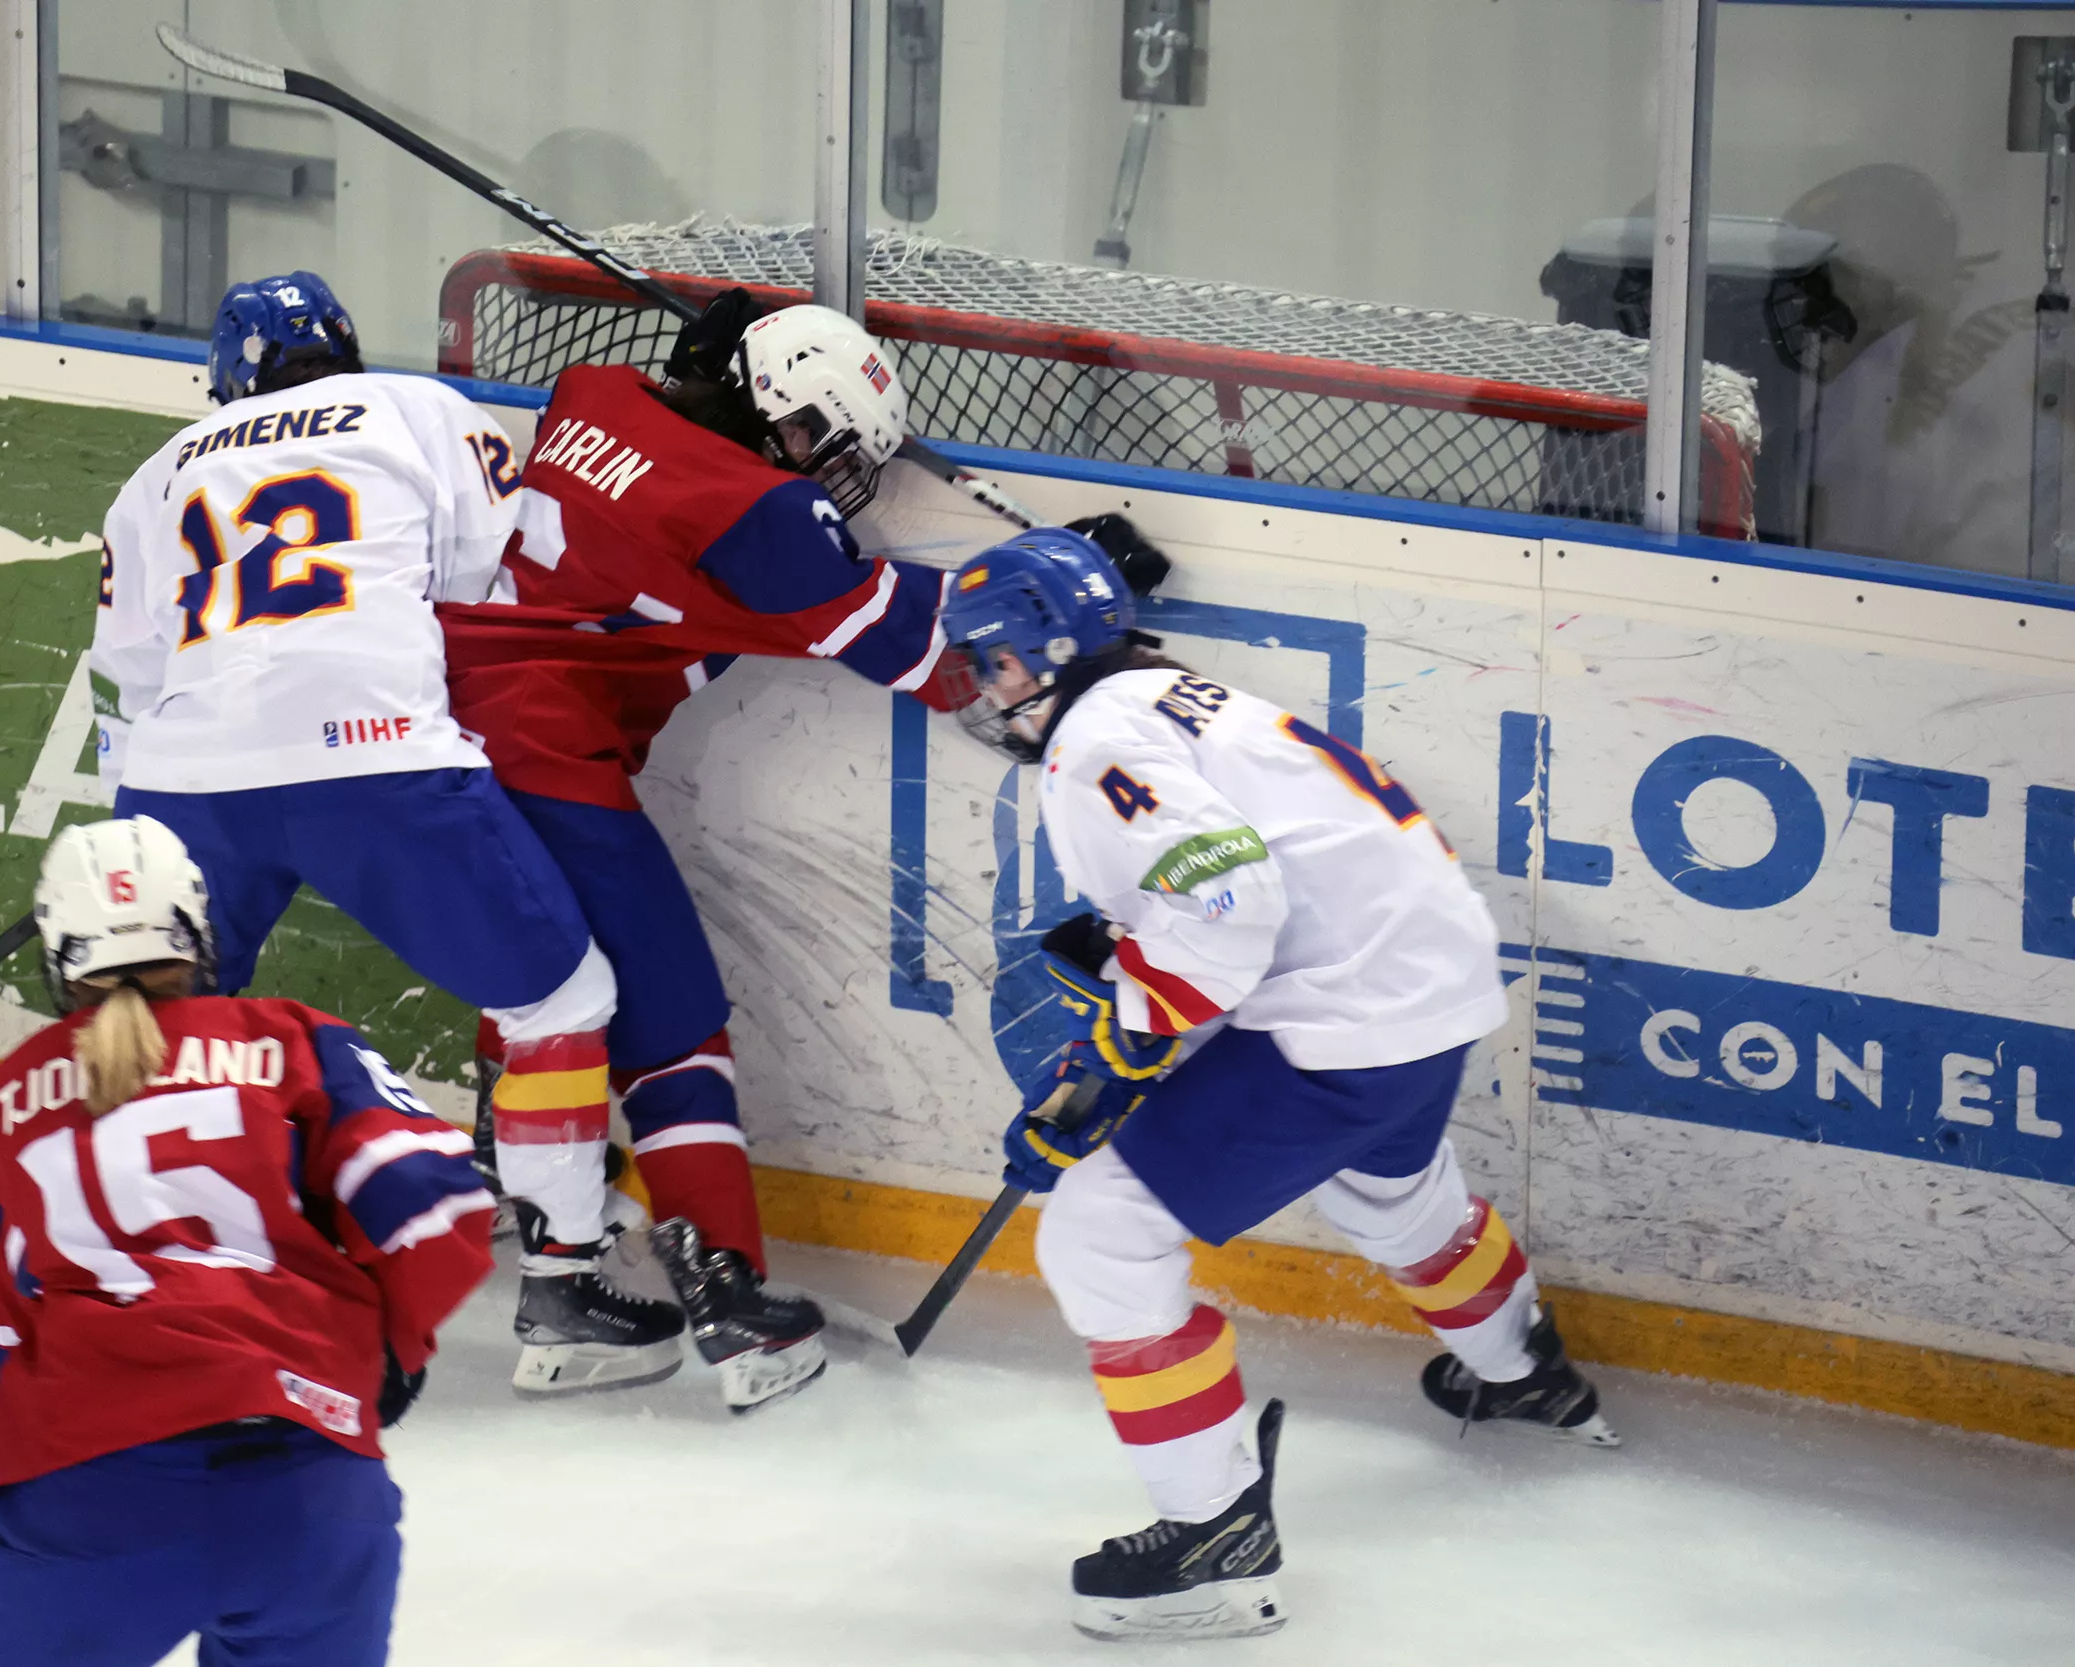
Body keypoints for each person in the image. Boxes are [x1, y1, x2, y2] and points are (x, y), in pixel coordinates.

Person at [439, 291, 1170, 1412]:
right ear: (779, 411)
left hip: (436, 743)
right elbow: (915, 644)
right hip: (549, 759)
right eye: (822, 445)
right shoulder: (763, 513)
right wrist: (1070, 580)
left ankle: (524, 1179)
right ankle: (728, 1301)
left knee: (546, 984)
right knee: (671, 1019)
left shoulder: (595, 390)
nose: (831, 477)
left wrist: (722, 361)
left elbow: (681, 480)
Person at [935, 528, 1617, 1642]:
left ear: (1050, 651)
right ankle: (1524, 1372)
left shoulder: (1095, 741)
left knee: (1100, 1232)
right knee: (1390, 1194)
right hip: (1427, 991)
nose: (986, 684)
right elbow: (1235, 889)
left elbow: (1224, 904)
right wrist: (1134, 990)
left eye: (995, 659)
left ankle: (1215, 1540)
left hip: (1347, 1015)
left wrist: (1125, 1043)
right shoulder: (1167, 695)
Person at [88, 272, 685, 1401]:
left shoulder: (158, 472)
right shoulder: (420, 408)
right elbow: (480, 579)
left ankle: (127, 1278)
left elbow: (132, 662)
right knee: (559, 1000)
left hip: (189, 771)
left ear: (225, 375)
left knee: (151, 1027)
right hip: (374, 751)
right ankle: (565, 1282)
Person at [0, 816, 495, 1665]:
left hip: (95, 1508)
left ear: (56, 956)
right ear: (198, 934)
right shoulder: (295, 1041)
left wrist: (37, 1425)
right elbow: (437, 1207)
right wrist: (385, 1352)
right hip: (315, 1501)